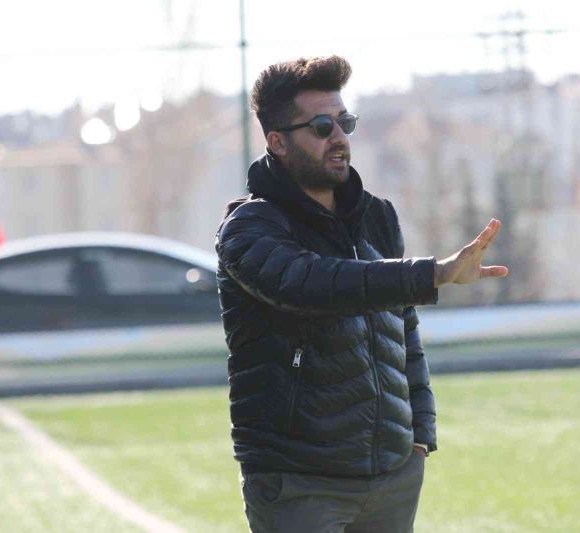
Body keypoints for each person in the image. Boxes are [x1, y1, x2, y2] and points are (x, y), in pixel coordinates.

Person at [215, 55, 508, 533]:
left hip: (393, 477)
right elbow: (314, 284)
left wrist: (419, 437)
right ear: (277, 142)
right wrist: (434, 273)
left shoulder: (377, 217)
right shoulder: (248, 229)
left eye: (344, 122)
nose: (339, 137)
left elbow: (403, 334)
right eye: (322, 126)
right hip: (299, 482)